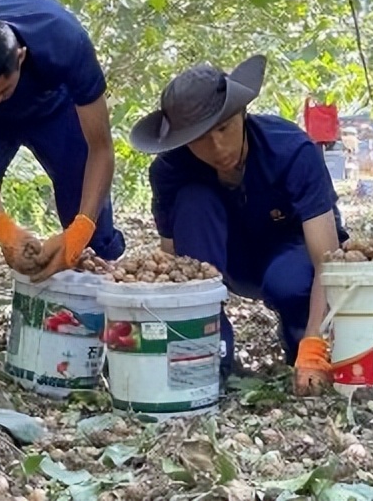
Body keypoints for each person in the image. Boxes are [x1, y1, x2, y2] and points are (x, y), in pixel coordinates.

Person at [129, 55, 349, 394]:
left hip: (291, 256)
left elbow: (328, 260)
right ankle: (210, 353)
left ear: (243, 114)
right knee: (194, 201)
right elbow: (174, 268)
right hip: (219, 259)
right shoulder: (170, 172)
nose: (217, 148)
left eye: (223, 128)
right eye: (201, 137)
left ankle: (302, 344)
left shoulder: (291, 150)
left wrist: (314, 344)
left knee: (291, 284)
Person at [0, 0, 126, 369]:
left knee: (89, 213)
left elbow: (101, 148)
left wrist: (81, 228)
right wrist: (3, 226)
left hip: (55, 107)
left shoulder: (64, 40)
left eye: (1, 90)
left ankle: (112, 327)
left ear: (21, 57)